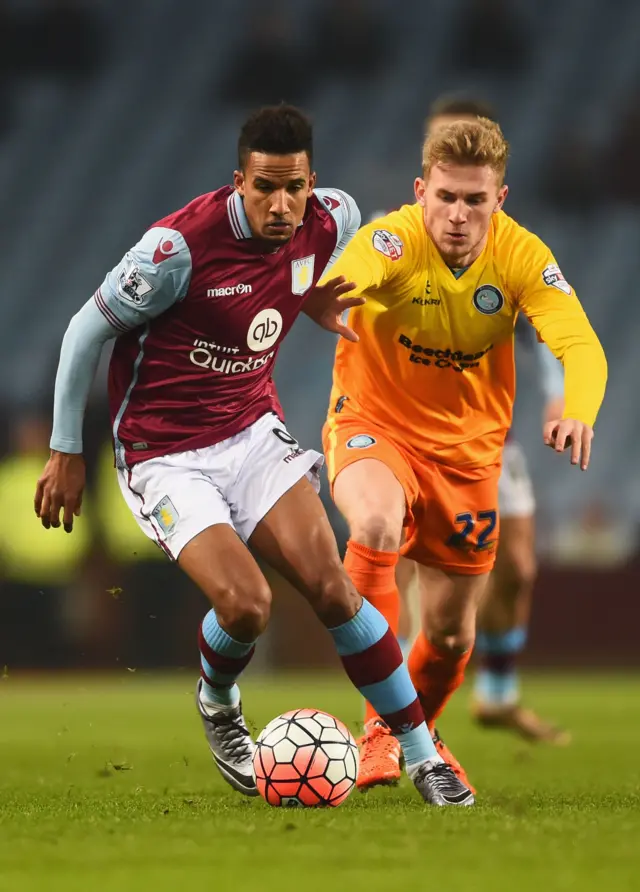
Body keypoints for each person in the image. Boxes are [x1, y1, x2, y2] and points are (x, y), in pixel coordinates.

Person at [34, 105, 473, 807]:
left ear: (312, 182)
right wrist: (65, 452)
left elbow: (286, 281)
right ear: (238, 180)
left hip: (248, 430)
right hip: (166, 453)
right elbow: (83, 332)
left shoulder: (334, 218)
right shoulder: (175, 250)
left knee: (332, 588)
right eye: (264, 187)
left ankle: (423, 756)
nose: (280, 204)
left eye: (292, 187)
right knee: (247, 606)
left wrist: (309, 303)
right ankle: (218, 704)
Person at [321, 115, 607, 791]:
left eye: (474, 200)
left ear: (498, 200)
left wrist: (579, 408)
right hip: (374, 424)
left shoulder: (521, 256)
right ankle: (380, 734)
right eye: (445, 197)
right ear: (422, 190)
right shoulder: (393, 237)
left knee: (451, 637)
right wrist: (334, 294)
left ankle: (400, 731)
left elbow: (581, 344)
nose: (456, 215)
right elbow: (356, 267)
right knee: (374, 526)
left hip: (469, 459)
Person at [396, 97, 573, 746]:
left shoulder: (509, 246)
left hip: (486, 435)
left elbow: (544, 329)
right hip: (411, 435)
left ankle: (496, 695)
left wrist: (558, 395)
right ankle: (408, 714)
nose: (461, 206)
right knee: (420, 572)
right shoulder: (405, 240)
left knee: (518, 567)